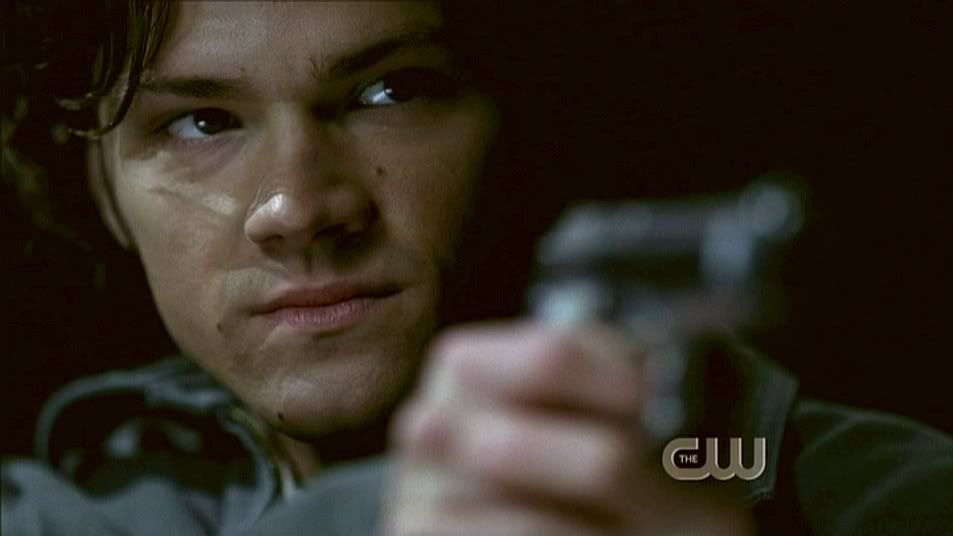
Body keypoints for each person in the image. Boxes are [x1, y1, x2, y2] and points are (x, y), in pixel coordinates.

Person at [2, 2, 951, 535]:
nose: (298, 208)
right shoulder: (73, 509)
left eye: (389, 93)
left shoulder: (881, 502)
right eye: (200, 122)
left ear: (519, 133)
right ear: (102, 191)